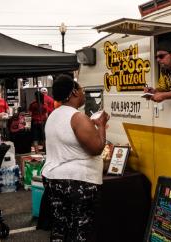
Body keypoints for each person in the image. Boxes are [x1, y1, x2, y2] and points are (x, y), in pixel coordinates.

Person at [41, 74, 109, 241]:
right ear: (73, 93)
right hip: (78, 182)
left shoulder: (53, 116)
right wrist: (101, 126)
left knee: (60, 227)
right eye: (81, 90)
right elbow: (97, 148)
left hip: (53, 178)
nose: (83, 93)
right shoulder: (77, 117)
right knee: (80, 229)